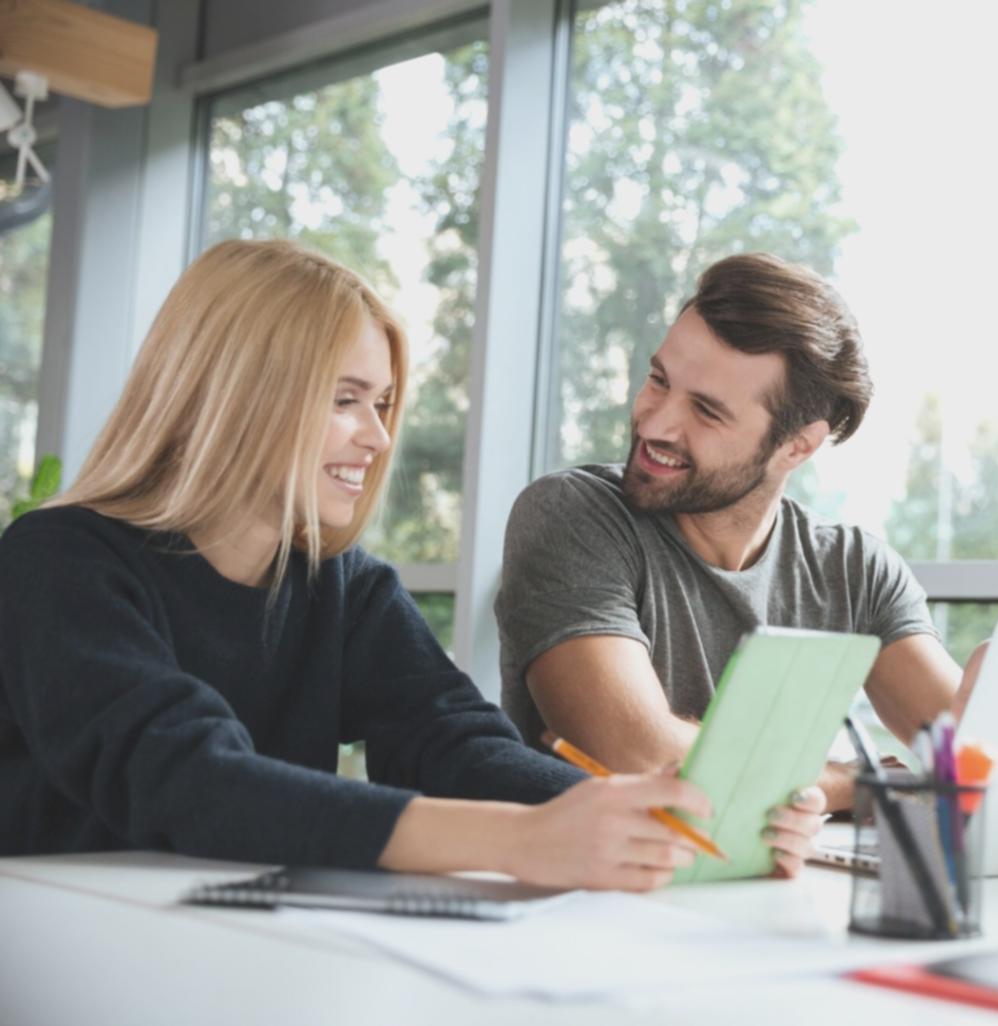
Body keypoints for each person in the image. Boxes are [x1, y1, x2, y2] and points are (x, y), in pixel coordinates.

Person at [0, 239, 823, 888]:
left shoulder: (344, 588)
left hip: (233, 938)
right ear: (238, 395)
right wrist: (521, 841)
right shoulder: (58, 561)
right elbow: (192, 778)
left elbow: (452, 741)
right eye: (345, 399)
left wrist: (662, 813)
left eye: (384, 404)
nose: (379, 438)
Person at [497, 253, 979, 810]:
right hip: (591, 888)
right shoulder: (572, 516)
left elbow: (966, 760)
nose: (654, 424)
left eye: (706, 411)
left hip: (778, 890)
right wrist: (852, 786)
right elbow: (633, 753)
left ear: (797, 445)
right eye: (658, 380)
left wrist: (995, 714)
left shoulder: (855, 570)